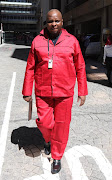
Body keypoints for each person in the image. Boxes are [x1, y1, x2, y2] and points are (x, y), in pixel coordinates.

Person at [22, 9, 88, 174]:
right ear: (46, 22)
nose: (54, 24)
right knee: (45, 123)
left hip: (65, 93)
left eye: (57, 21)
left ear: (62, 22)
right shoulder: (37, 41)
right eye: (51, 21)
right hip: (43, 92)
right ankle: (47, 139)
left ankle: (57, 156)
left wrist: (82, 90)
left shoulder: (72, 41)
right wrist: (27, 90)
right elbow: (30, 68)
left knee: (62, 126)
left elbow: (80, 66)